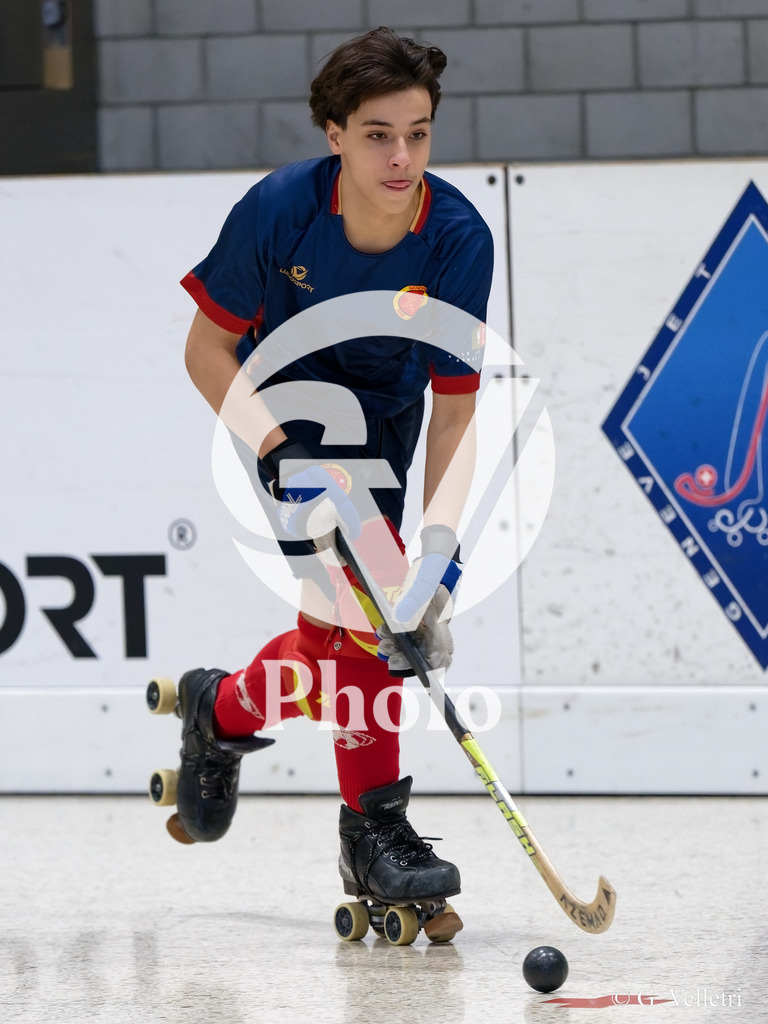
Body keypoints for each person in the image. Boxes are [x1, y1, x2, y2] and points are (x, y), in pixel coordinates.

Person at [167, 26, 494, 939]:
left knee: (349, 631)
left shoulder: (459, 239)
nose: (402, 157)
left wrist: (437, 559)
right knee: (363, 615)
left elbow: (457, 411)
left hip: (387, 416)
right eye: (379, 134)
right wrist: (277, 449)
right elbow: (205, 348)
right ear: (334, 133)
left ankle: (221, 709)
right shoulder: (279, 210)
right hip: (286, 411)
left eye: (419, 134)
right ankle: (374, 827)